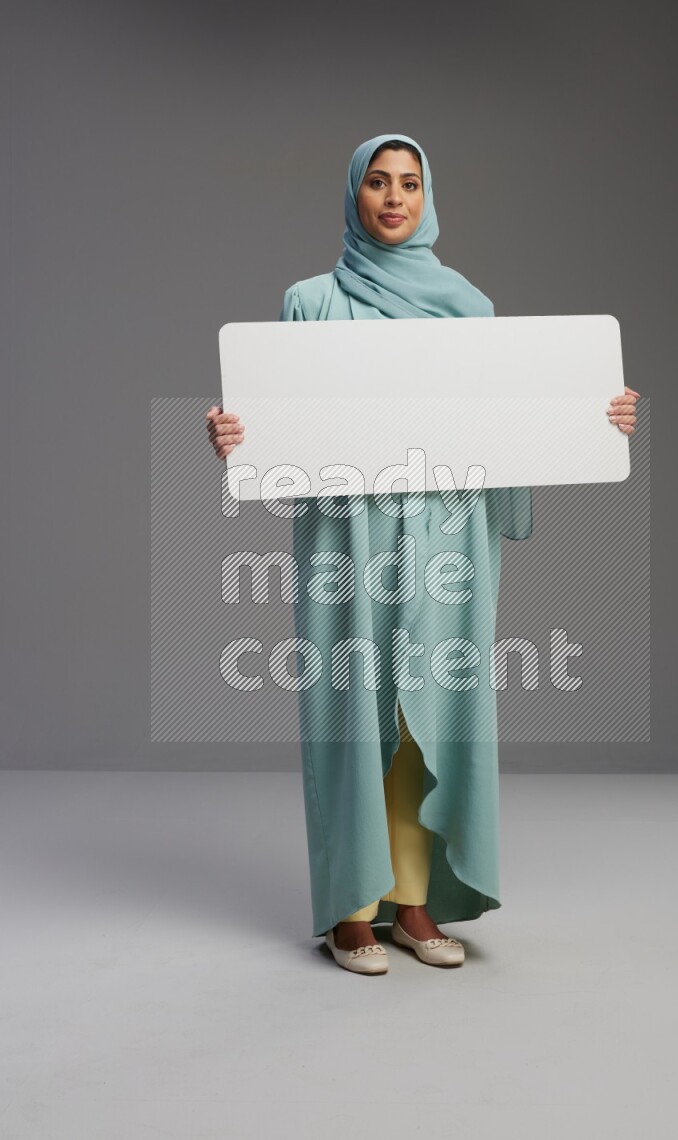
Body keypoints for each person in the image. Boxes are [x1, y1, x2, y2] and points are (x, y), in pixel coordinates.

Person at [206, 133, 639, 975]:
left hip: (449, 534)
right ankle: (350, 912)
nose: (393, 197)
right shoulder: (310, 303)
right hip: (348, 536)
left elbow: (512, 423)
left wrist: (596, 417)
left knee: (424, 718)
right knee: (351, 719)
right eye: (377, 182)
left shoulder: (468, 308)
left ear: (428, 195)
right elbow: (278, 427)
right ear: (354, 195)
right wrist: (232, 437)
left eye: (409, 183)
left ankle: (415, 903)